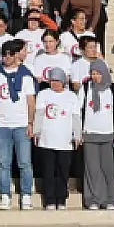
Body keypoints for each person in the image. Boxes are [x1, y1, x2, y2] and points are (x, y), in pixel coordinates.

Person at [0, 39, 37, 210]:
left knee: (25, 162)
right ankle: (5, 195)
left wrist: (31, 123)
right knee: (4, 163)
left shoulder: (25, 75)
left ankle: (26, 195)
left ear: (16, 55)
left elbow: (31, 101)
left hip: (21, 124)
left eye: (10, 54)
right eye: (4, 54)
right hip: (2, 124)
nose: (7, 57)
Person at [76, 57, 114, 210]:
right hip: (89, 134)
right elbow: (77, 112)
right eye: (93, 73)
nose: (95, 76)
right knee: (92, 169)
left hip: (109, 135)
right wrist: (78, 133)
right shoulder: (85, 88)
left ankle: (111, 199)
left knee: (109, 169)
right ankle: (93, 199)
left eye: (98, 73)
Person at [33, 66, 79, 210]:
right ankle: (50, 200)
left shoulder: (71, 96)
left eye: (58, 81)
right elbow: (39, 114)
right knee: (48, 171)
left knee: (63, 172)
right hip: (47, 140)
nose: (55, 83)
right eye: (52, 80)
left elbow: (76, 117)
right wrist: (36, 131)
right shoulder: (43, 94)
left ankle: (61, 199)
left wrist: (77, 135)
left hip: (65, 141)